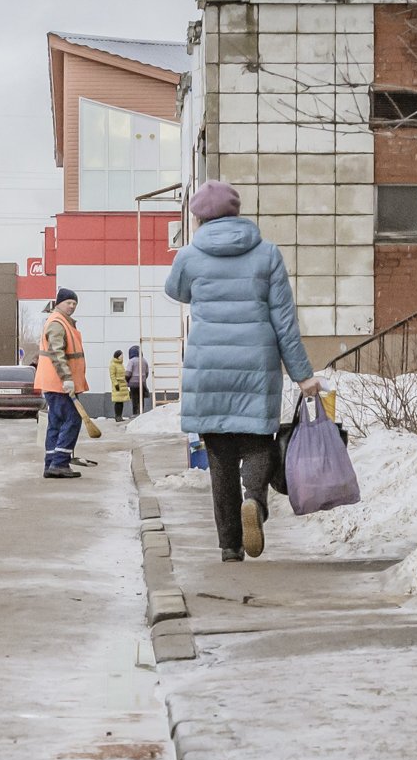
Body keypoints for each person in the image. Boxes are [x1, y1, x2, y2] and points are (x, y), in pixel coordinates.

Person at [164, 180, 322, 561]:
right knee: (256, 443)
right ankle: (255, 501)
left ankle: (230, 545)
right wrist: (303, 375)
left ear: (199, 216)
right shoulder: (267, 253)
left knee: (219, 456)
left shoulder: (189, 254)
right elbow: (284, 321)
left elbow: (176, 291)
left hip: (209, 366)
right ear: (237, 211)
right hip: (256, 364)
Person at [34, 288, 89, 480]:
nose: (72, 306)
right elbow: (57, 354)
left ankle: (51, 463)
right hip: (60, 384)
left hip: (54, 383)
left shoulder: (61, 322)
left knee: (56, 423)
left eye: (74, 303)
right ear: (59, 303)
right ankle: (59, 463)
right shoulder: (57, 324)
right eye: (69, 303)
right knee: (72, 420)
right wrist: (67, 378)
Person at [109, 349, 130, 422]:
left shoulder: (121, 364)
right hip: (117, 385)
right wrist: (115, 384)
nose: (122, 357)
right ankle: (117, 416)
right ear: (117, 356)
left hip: (123, 385)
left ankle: (120, 416)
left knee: (121, 401)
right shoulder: (113, 365)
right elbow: (112, 375)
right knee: (118, 402)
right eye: (121, 355)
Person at [128, 347, 148, 414]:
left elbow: (128, 373)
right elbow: (147, 372)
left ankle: (135, 413)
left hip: (133, 383)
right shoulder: (144, 361)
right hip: (142, 383)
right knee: (141, 399)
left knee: (134, 399)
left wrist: (127, 380)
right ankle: (141, 413)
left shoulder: (131, 361)